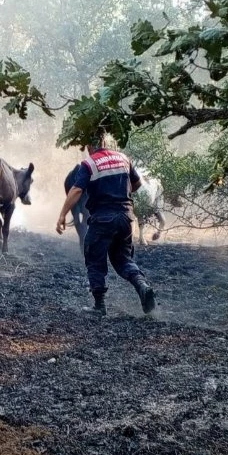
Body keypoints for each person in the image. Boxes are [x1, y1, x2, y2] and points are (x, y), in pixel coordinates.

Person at [56, 131, 156, 317]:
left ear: (89, 146)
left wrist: (62, 214)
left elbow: (77, 189)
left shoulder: (89, 164)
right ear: (104, 141)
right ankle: (142, 286)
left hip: (103, 219)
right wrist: (122, 194)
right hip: (126, 218)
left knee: (94, 258)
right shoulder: (123, 158)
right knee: (124, 259)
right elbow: (138, 183)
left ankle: (99, 306)